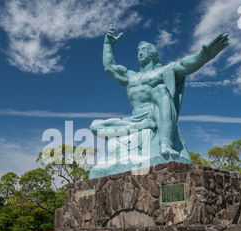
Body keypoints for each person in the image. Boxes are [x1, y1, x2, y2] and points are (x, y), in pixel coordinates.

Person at [90, 25, 229, 158]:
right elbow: (109, 67)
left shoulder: (163, 71)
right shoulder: (130, 77)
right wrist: (107, 44)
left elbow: (184, 65)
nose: (140, 53)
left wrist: (203, 56)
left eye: (143, 49)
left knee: (160, 89)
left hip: (154, 116)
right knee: (95, 126)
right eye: (138, 51)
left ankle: (165, 143)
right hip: (134, 121)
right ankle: (141, 126)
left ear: (152, 53)